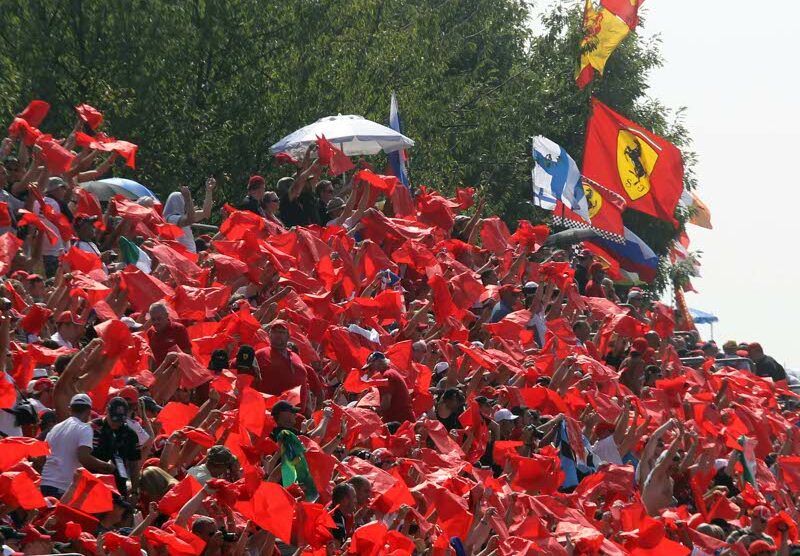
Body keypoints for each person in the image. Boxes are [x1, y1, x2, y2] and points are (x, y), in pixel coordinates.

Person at [40, 394, 114, 498]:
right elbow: (84, 457)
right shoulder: (85, 428)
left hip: (45, 483)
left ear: (70, 409)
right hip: (63, 487)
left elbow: (41, 457)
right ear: (89, 411)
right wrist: (107, 466)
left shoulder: (55, 428)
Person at [255, 320, 319, 412]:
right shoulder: (260, 355)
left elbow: (311, 389)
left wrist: (313, 412)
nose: (278, 335)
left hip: (295, 417)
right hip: (270, 412)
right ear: (269, 334)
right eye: (275, 332)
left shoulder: (296, 356)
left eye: (281, 332)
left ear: (288, 336)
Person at [90, 397, 142, 496]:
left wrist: (134, 492)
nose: (116, 423)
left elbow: (134, 465)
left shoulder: (130, 434)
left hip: (118, 483)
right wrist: (104, 466)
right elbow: (83, 456)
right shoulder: (93, 428)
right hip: (94, 480)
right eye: (113, 419)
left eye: (120, 420)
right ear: (107, 411)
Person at [365, 351, 414, 424]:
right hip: (403, 419)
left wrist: (372, 410)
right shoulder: (391, 372)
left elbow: (386, 403)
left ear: (378, 362)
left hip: (399, 421)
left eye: (371, 366)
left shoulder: (387, 375)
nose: (371, 370)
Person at [146, 302, 192, 367]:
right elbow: (152, 358)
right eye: (153, 319)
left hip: (177, 372)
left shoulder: (178, 329)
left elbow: (188, 355)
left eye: (159, 318)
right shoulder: (150, 332)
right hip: (160, 373)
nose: (156, 322)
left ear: (167, 315)